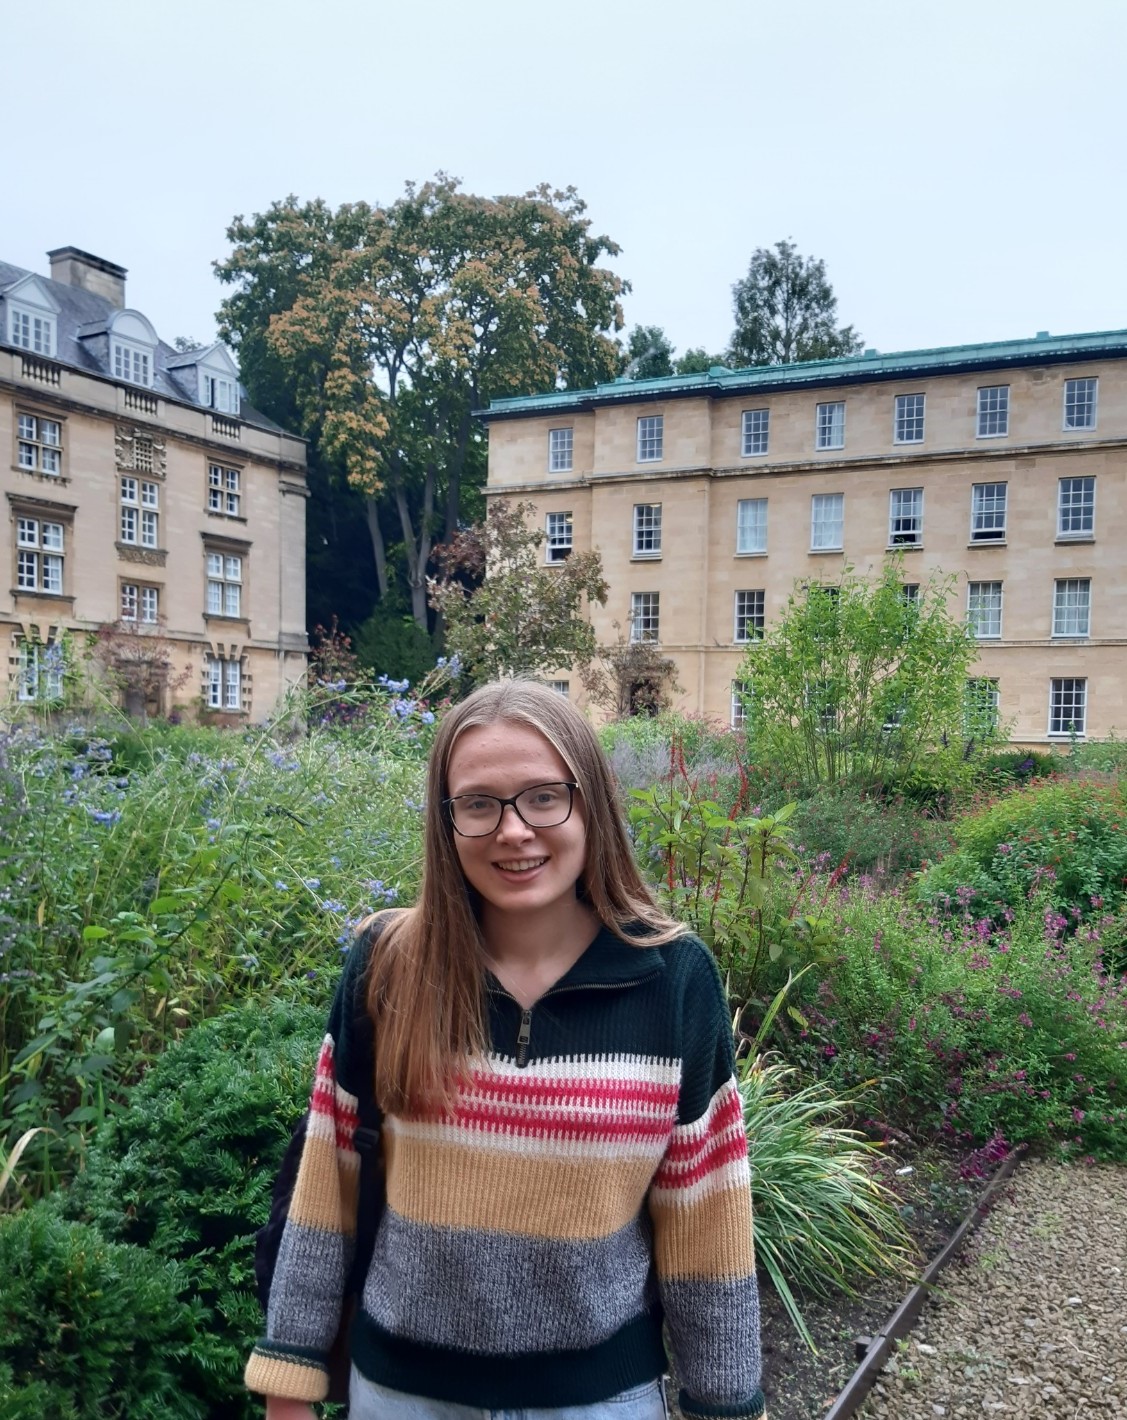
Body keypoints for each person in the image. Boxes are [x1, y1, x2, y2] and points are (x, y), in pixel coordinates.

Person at [246, 679, 765, 1420]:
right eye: (479, 804)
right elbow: (327, 1176)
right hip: (400, 1396)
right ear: (446, 820)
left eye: (543, 797)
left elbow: (705, 1214)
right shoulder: (388, 965)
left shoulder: (672, 980)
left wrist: (724, 1404)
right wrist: (289, 1382)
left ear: (590, 805)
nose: (513, 830)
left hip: (598, 1402)